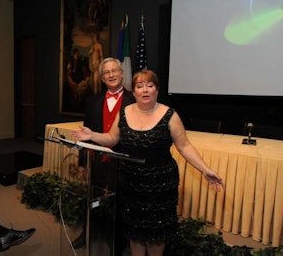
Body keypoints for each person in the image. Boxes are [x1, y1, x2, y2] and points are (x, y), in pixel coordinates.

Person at [72, 69, 225, 256]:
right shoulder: (125, 111)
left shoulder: (170, 115)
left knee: (156, 233)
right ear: (134, 91)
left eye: (150, 85)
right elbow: (112, 139)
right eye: (139, 86)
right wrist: (92, 135)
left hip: (159, 185)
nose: (145, 90)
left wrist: (205, 170)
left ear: (156, 90)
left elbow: (184, 147)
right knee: (135, 231)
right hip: (130, 182)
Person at [73, 57, 135, 254]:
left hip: (123, 163)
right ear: (101, 77)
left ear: (122, 73)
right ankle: (88, 232)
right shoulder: (93, 102)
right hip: (98, 161)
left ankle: (117, 241)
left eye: (114, 71)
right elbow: (86, 135)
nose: (111, 75)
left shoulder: (134, 101)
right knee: (93, 198)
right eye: (107, 72)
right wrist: (82, 163)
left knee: (120, 204)